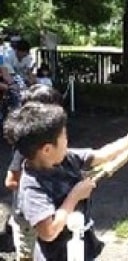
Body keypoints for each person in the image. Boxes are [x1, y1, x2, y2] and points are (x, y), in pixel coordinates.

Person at [3, 102, 128, 261]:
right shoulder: (33, 187)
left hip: (81, 243)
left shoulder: (66, 158)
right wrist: (74, 196)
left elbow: (103, 155)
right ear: (47, 149)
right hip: (58, 255)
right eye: (64, 137)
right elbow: (48, 232)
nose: (67, 141)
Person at [3, 84, 64, 260]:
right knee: (28, 255)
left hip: (45, 213)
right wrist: (37, 185)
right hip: (27, 219)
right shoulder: (26, 148)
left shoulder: (52, 139)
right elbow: (10, 181)